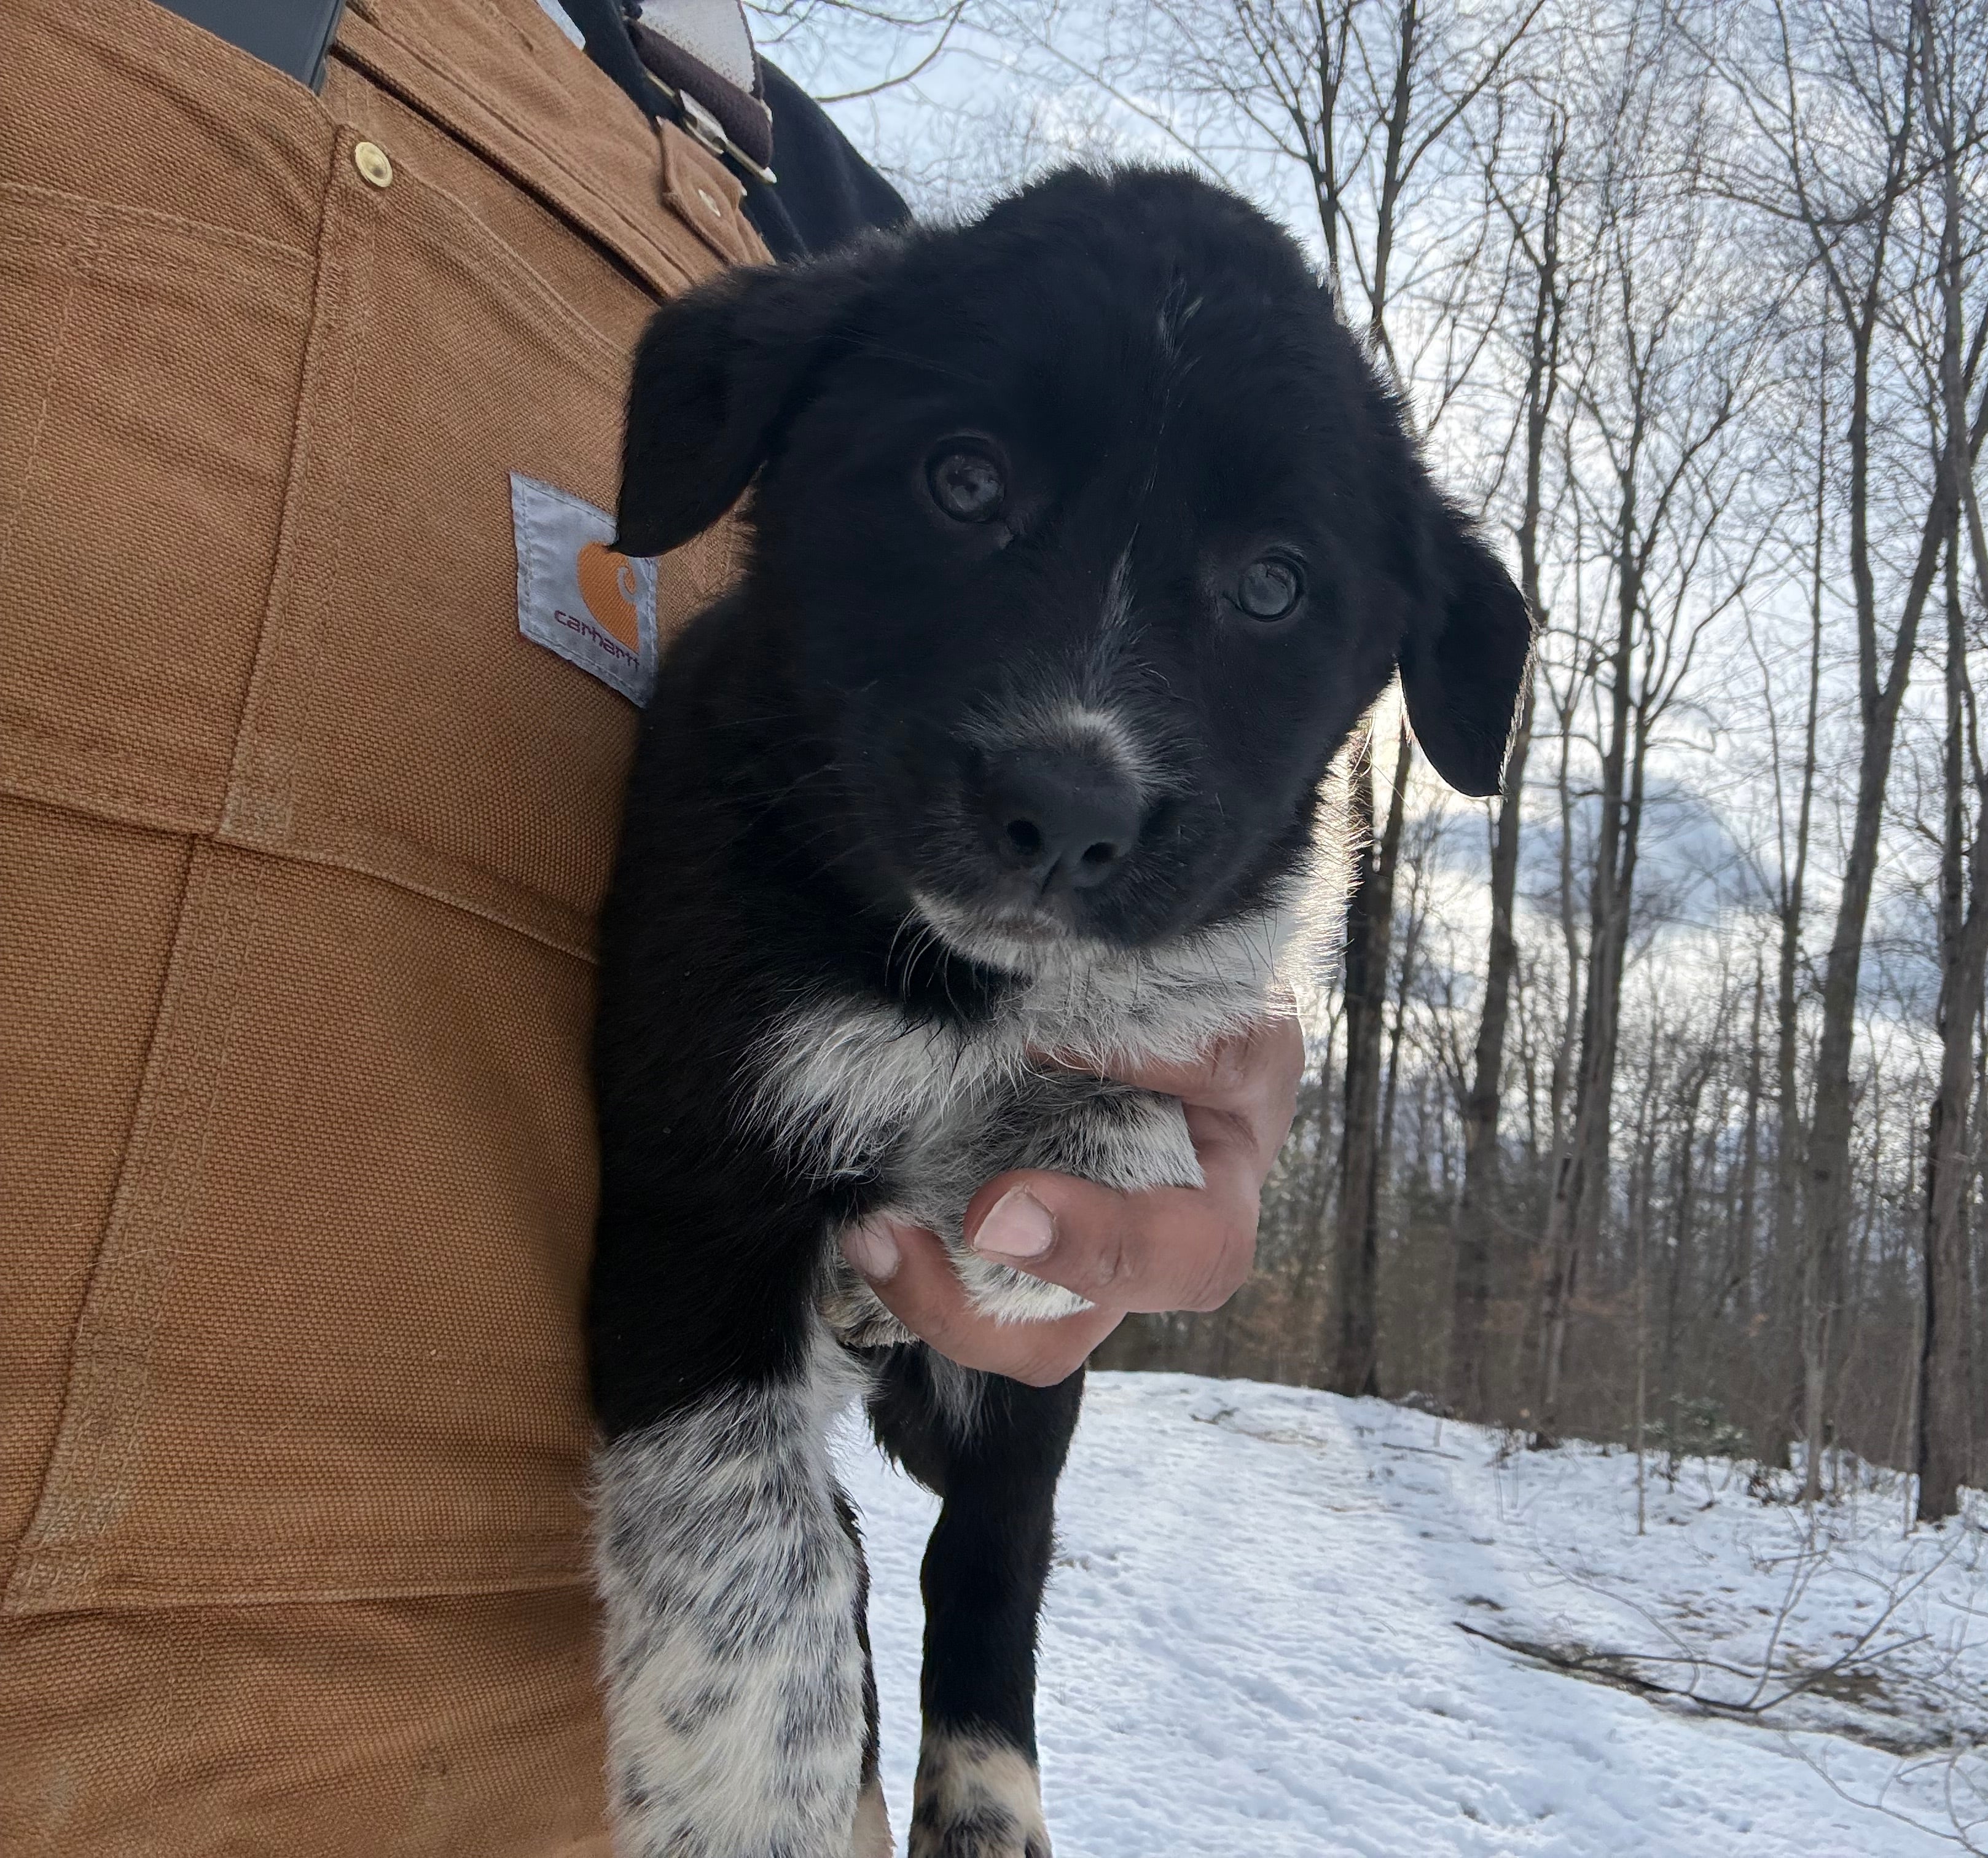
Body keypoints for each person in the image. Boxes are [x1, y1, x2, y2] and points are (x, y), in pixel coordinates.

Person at [0, 1, 1300, 1849]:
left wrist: (1178, 1077)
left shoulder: (786, 171)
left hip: (664, 1749)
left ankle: (982, 1721)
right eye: (969, 489)